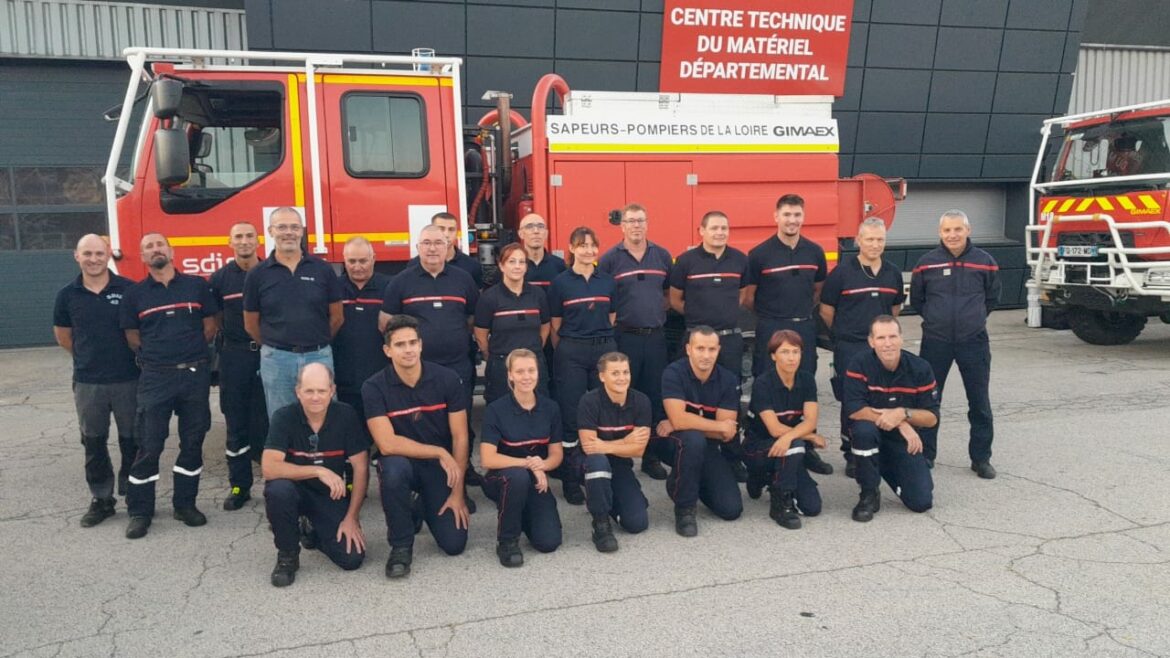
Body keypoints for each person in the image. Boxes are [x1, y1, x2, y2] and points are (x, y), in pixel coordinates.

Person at [119, 233, 218, 539]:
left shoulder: (197, 286)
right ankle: (140, 511)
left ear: (171, 251)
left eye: (159, 244)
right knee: (149, 444)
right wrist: (159, 355)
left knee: (193, 441)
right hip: (155, 378)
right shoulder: (134, 295)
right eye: (148, 247)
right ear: (143, 256)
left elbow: (210, 325)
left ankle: (185, 504)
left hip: (193, 376)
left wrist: (187, 352)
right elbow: (132, 336)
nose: (155, 249)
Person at [363, 315, 470, 579]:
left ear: (421, 345)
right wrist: (438, 451)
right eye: (400, 345)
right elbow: (387, 444)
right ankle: (401, 546)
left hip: (438, 469)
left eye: (413, 342)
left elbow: (460, 437)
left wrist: (458, 493)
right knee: (392, 470)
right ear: (387, 350)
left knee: (454, 544)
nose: (408, 349)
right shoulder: (374, 387)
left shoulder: (447, 379)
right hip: (403, 463)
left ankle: (418, 504)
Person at [379, 225, 480, 487]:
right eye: (426, 243)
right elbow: (386, 323)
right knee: (425, 423)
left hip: (457, 365)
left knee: (460, 423)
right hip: (418, 370)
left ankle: (461, 473)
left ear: (448, 246)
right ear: (417, 247)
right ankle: (425, 475)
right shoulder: (401, 281)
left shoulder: (463, 279)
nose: (432, 248)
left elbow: (471, 319)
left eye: (438, 243)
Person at [52, 234, 139, 527]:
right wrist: (88, 358)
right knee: (94, 442)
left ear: (108, 255)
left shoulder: (129, 290)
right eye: (87, 254)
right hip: (89, 382)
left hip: (128, 379)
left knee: (133, 440)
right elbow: (63, 337)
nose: (93, 259)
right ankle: (102, 499)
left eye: (99, 253)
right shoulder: (67, 295)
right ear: (77, 256)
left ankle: (135, 495)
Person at [745, 193, 832, 476]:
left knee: (804, 384)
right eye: (786, 214)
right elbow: (749, 298)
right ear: (776, 217)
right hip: (771, 326)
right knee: (766, 384)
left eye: (797, 215)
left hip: (804, 326)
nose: (792, 220)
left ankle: (805, 448)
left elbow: (818, 290)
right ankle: (762, 444)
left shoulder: (815, 252)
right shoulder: (759, 254)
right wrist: (773, 316)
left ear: (803, 217)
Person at [910, 210, 1001, 478]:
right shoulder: (926, 263)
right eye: (947, 230)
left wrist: (972, 320)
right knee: (929, 401)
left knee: (979, 402)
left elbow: (992, 298)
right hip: (935, 342)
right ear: (940, 233)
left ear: (968, 230)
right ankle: (926, 455)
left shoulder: (985, 262)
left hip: (973, 342)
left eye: (958, 229)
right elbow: (918, 300)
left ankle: (981, 458)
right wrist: (937, 320)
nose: (952, 235)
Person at [262, 363, 367, 587]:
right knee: (278, 490)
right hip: (294, 490)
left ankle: (311, 530)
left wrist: (352, 517)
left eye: (321, 390)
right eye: (309, 391)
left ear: (332, 390)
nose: (315, 397)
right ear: (298, 392)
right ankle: (288, 555)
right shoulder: (284, 417)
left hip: (329, 495)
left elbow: (361, 468)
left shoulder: (346, 415)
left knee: (352, 559)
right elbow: (269, 468)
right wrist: (318, 470)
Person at [668, 211, 749, 481]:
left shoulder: (740, 260)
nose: (720, 232)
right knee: (692, 393)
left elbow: (742, 296)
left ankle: (732, 455)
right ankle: (689, 451)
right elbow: (675, 299)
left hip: (728, 340)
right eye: (714, 228)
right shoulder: (686, 261)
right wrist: (700, 323)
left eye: (724, 228)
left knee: (730, 396)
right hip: (695, 338)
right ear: (701, 231)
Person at [819, 217, 904, 478]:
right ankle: (852, 452)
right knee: (851, 401)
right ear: (858, 240)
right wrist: (843, 335)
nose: (875, 244)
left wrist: (883, 339)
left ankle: (877, 446)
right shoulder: (841, 273)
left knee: (881, 396)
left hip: (882, 348)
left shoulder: (892, 272)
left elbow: (895, 309)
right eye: (869, 239)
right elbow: (826, 310)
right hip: (850, 347)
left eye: (880, 239)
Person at [244, 206, 343, 419]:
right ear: (270, 231)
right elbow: (250, 323)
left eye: (294, 227)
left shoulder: (322, 269)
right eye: (282, 227)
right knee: (281, 419)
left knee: (325, 418)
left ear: (302, 231)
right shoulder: (257, 275)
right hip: (277, 359)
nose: (288, 232)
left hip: (318, 355)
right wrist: (276, 345)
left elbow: (337, 316)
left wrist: (317, 340)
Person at [598, 203, 672, 481]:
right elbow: (604, 298)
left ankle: (651, 456)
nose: (636, 226)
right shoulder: (609, 260)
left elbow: (668, 294)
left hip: (655, 338)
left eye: (641, 220)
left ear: (647, 223)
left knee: (652, 397)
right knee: (623, 397)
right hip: (624, 337)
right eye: (631, 221)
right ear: (622, 226)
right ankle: (621, 456)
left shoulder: (662, 256)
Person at [843, 315, 939, 522]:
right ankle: (869, 492)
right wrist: (901, 422)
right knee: (863, 431)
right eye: (881, 338)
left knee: (921, 502)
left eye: (892, 337)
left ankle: (882, 464)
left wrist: (903, 413)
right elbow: (854, 409)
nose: (888, 343)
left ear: (901, 338)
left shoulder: (920, 368)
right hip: (871, 434)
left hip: (901, 442)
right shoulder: (859, 364)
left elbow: (932, 418)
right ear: (871, 341)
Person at [546, 226, 616, 506]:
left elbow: (612, 317)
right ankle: (570, 478)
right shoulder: (560, 283)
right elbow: (555, 325)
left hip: (603, 349)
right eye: (582, 245)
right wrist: (570, 347)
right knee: (571, 414)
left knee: (602, 411)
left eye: (592, 245)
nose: (588, 250)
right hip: (572, 351)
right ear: (571, 248)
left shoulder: (607, 281)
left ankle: (600, 471)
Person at [655, 326, 744, 537]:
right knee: (693, 440)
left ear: (718, 350)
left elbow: (727, 434)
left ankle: (680, 482)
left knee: (731, 509)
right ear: (688, 349)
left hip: (706, 445)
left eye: (711, 349)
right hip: (670, 441)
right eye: (700, 348)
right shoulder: (674, 373)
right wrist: (715, 425)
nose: (706, 355)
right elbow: (683, 421)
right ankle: (685, 509)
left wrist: (683, 422)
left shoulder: (728, 379)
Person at [479, 349, 564, 567]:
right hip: (502, 478)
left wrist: (543, 465)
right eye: (520, 371)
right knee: (518, 477)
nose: (526, 376)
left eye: (531, 370)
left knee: (549, 542)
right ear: (510, 375)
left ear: (538, 372)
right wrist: (529, 464)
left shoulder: (551, 408)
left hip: (535, 481)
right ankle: (507, 541)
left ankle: (520, 513)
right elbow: (487, 459)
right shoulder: (496, 409)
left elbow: (556, 455)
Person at [209, 221, 268, 511]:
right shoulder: (219, 279)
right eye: (238, 237)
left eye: (249, 236)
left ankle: (277, 483)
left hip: (269, 355)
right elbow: (216, 319)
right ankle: (239, 485)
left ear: (258, 241)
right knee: (236, 422)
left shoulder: (272, 272)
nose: (244, 241)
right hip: (235, 356)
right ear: (230, 242)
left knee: (271, 421)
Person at [742, 330, 826, 529]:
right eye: (785, 352)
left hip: (787, 448)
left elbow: (810, 420)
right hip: (758, 447)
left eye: (795, 352)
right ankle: (780, 503)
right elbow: (774, 428)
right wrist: (808, 436)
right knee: (796, 444)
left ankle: (770, 477)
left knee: (812, 507)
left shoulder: (806, 380)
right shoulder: (763, 383)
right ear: (773, 356)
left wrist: (791, 437)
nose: (791, 358)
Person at [576, 352, 652, 553]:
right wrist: (625, 442)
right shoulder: (589, 401)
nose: (622, 378)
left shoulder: (641, 401)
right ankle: (600, 524)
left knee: (637, 523)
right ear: (602, 376)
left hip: (620, 464)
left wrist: (607, 446)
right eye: (615, 373)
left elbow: (639, 450)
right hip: (591, 464)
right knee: (598, 462)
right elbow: (590, 447)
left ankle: (611, 499)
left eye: (626, 372)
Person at [474, 243, 550, 403]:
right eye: (511, 261)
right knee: (501, 410)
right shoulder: (489, 298)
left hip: (533, 363)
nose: (517, 266)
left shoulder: (538, 294)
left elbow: (545, 326)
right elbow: (481, 335)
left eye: (521, 262)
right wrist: (494, 356)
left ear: (526, 267)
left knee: (537, 407)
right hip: (501, 366)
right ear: (501, 266)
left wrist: (534, 348)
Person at [333, 236, 391, 433]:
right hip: (343, 378)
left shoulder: (389, 287)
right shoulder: (333, 288)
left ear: (373, 258)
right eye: (352, 261)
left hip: (380, 378)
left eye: (363, 261)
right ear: (344, 260)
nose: (357, 267)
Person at [518, 212, 566, 399]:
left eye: (540, 227)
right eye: (530, 227)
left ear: (546, 233)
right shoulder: (514, 265)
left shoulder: (559, 266)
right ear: (521, 233)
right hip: (524, 337)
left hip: (552, 339)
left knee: (553, 388)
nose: (536, 231)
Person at [409, 211, 484, 287]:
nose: (446, 234)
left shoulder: (472, 265)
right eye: (441, 229)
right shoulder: (414, 264)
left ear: (456, 233)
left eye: (451, 229)